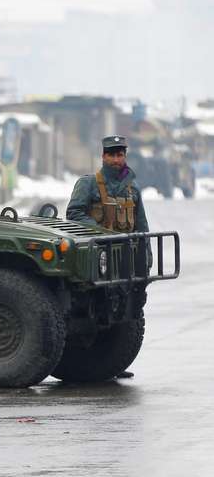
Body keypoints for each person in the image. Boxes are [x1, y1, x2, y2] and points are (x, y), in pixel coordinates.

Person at [66, 135, 149, 379]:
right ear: (103, 156)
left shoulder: (133, 189)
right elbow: (74, 214)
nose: (116, 159)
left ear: (125, 156)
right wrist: (99, 231)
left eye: (120, 154)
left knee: (126, 311)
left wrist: (146, 255)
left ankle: (114, 362)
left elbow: (141, 225)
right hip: (98, 258)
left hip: (125, 259)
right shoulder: (89, 184)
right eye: (111, 154)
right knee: (97, 305)